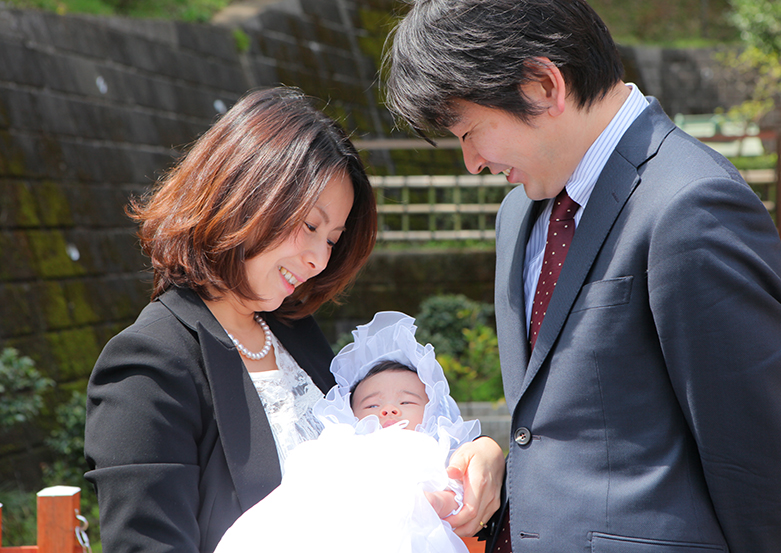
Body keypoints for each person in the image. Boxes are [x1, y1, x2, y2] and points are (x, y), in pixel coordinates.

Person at [384, 1, 781, 553]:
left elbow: (760, 465)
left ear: (543, 85)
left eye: (468, 131)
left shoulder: (690, 204)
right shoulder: (519, 214)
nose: (471, 162)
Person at [84, 87, 503, 553]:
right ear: (243, 194)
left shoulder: (292, 331)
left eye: (331, 239)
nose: (318, 260)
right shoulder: (148, 363)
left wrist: (477, 455)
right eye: (309, 226)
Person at [214, 311, 481, 553]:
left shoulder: (434, 447)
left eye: (406, 402)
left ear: (433, 409)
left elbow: (455, 489)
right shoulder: (344, 444)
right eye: (372, 404)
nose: (388, 409)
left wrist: (436, 503)